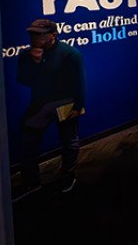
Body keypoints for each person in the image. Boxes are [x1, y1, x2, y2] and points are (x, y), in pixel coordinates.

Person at [13, 19, 87, 201]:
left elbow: (80, 82)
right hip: (39, 104)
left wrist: (78, 106)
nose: (34, 37)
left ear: (53, 34)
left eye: (39, 33)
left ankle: (68, 175)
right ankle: (31, 182)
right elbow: (23, 80)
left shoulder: (70, 54)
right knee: (28, 143)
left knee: (69, 140)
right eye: (32, 33)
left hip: (66, 103)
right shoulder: (26, 55)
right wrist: (34, 61)